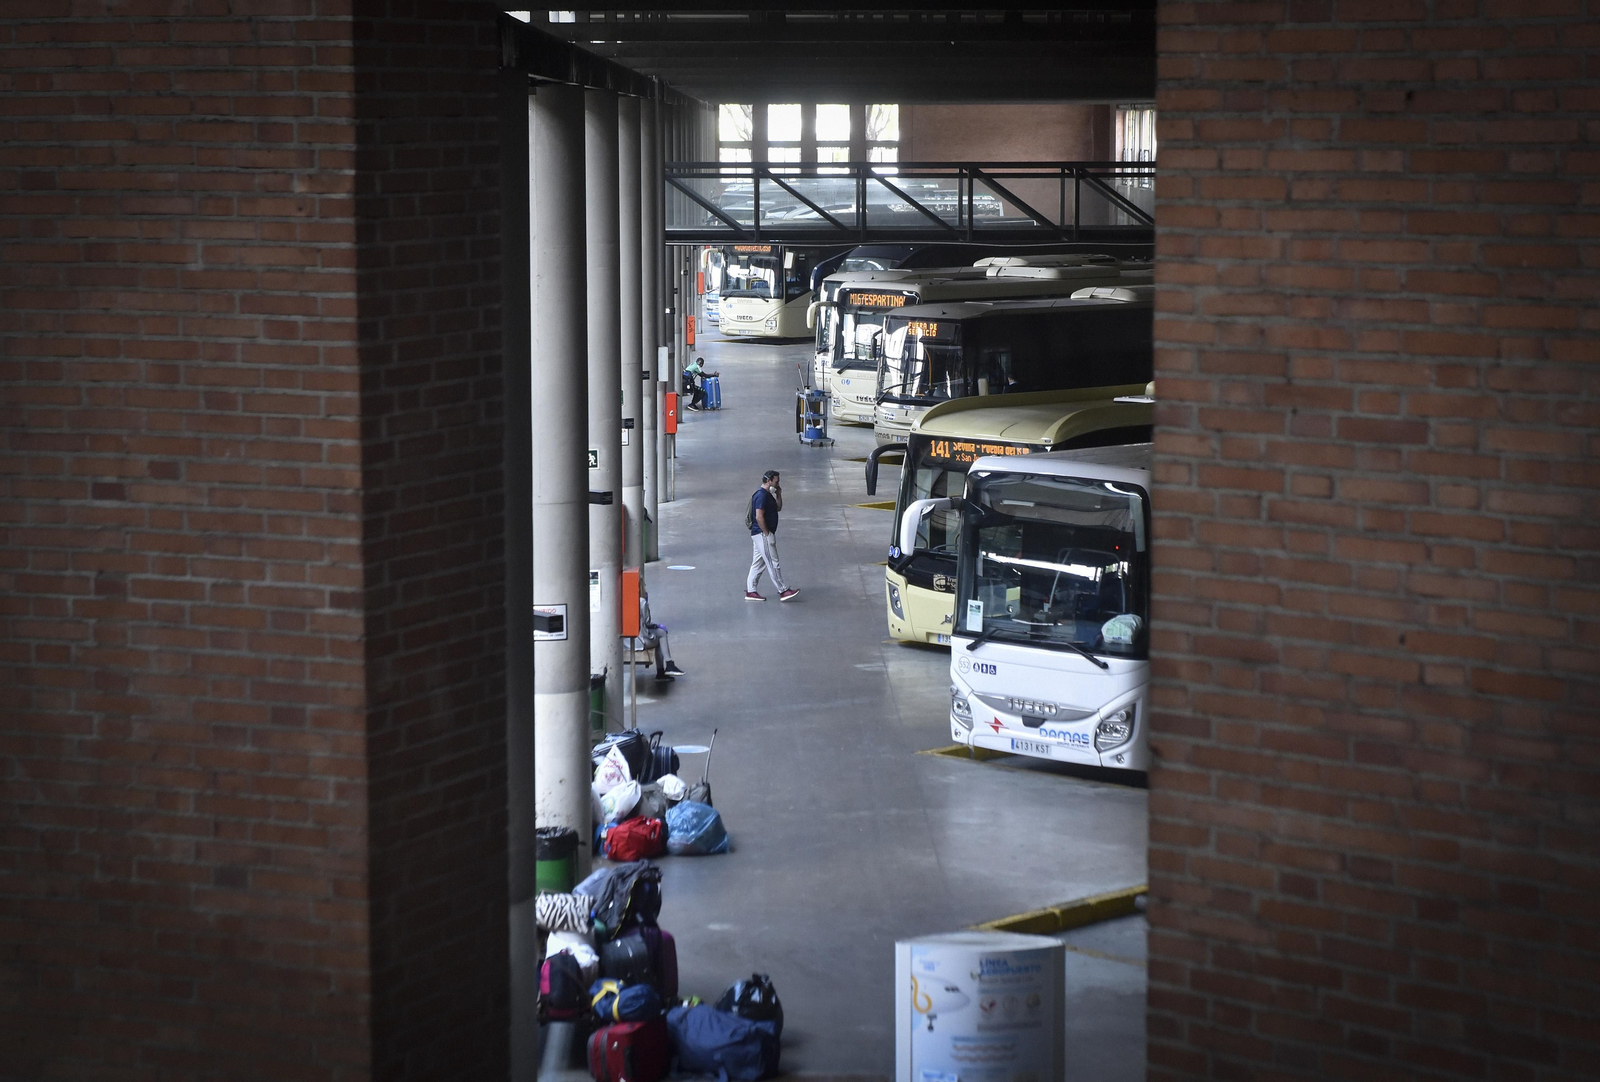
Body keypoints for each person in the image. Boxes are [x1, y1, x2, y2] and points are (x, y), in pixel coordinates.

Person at [745, 469, 799, 602]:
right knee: (773, 563)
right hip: (762, 534)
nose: (778, 484)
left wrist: (779, 494)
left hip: (760, 534)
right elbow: (759, 517)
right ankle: (783, 590)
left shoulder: (767, 495)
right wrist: (767, 534)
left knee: (758, 564)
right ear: (769, 481)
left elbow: (778, 508)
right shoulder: (761, 496)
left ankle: (751, 591)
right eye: (776, 482)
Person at [637, 577, 685, 681]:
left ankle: (664, 669)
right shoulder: (641, 602)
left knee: (659, 635)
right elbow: (647, 622)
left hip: (626, 641)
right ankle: (667, 666)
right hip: (640, 641)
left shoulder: (623, 600)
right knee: (662, 634)